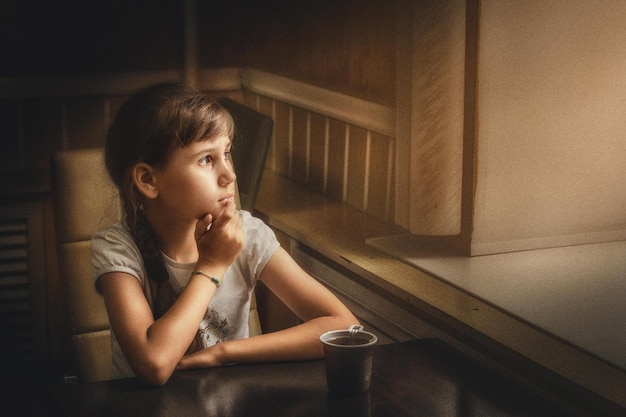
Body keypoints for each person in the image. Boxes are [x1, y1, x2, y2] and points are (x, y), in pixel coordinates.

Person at [92, 82, 358, 386]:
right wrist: (212, 266)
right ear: (148, 179)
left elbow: (344, 326)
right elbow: (154, 364)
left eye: (227, 153)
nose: (230, 175)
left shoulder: (249, 234)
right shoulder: (117, 247)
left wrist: (224, 352)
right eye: (206, 159)